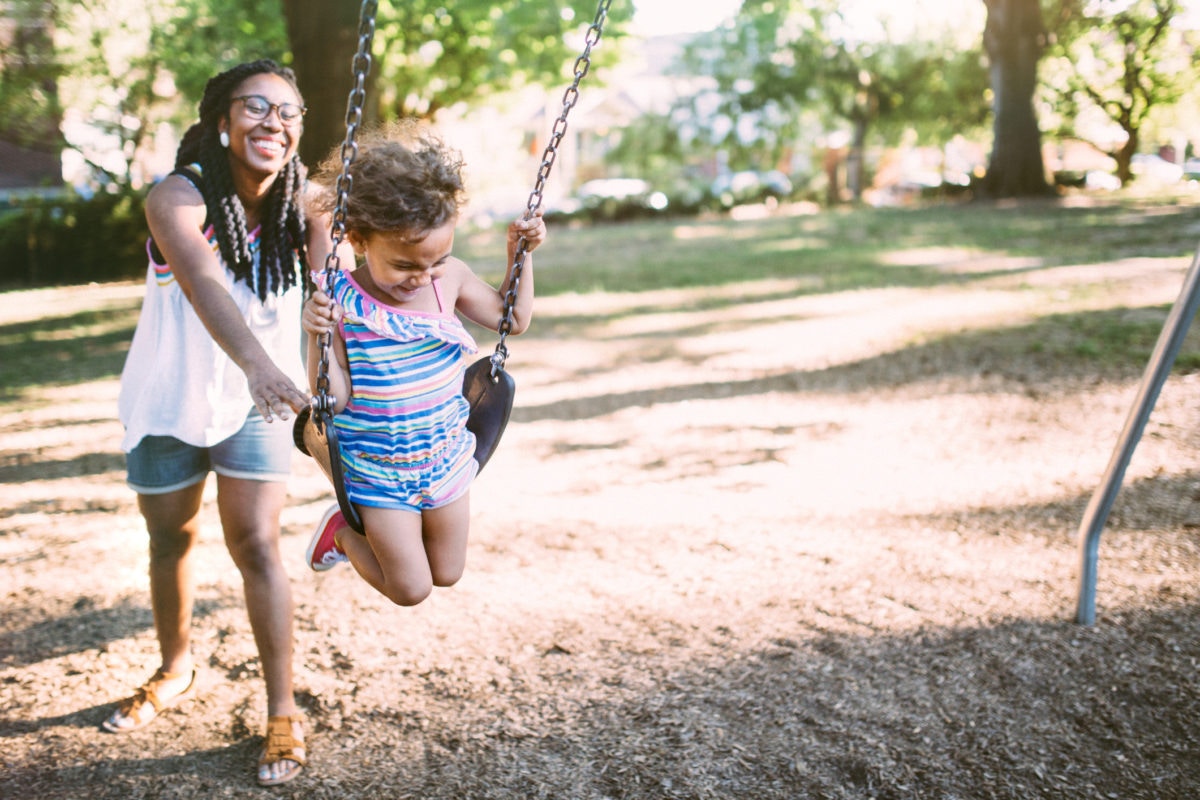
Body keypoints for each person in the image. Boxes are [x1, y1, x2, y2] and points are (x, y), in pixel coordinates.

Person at [105, 59, 341, 787]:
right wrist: (259, 364)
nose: (276, 122)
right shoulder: (178, 196)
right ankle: (176, 668)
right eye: (257, 107)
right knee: (169, 537)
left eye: (290, 112)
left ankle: (281, 711)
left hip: (257, 405)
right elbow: (204, 280)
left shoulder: (312, 204)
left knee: (256, 544)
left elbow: (337, 294)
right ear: (220, 120)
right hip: (170, 396)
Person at [300, 121, 546, 607]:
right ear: (358, 239)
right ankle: (343, 533)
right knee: (410, 588)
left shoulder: (448, 278)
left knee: (448, 573)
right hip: (377, 467)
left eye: (436, 260)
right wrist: (319, 337)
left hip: (445, 455)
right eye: (406, 265)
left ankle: (372, 534)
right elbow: (335, 397)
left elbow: (511, 319)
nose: (423, 277)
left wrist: (520, 256)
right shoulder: (340, 299)